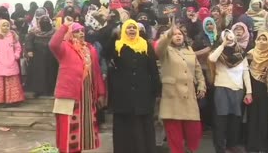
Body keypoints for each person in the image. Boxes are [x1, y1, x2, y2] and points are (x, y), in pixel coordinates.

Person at [49, 16, 106, 153]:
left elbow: (96, 72)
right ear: (70, 34)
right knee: (67, 127)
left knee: (82, 130)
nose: (81, 33)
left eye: (82, 31)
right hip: (69, 94)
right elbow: (53, 44)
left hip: (86, 95)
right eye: (77, 31)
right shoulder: (65, 48)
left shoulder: (90, 49)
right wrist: (64, 27)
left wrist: (101, 92)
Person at [104, 19, 160, 153]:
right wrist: (114, 36)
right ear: (123, 31)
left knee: (143, 127)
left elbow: (153, 69)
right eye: (128, 28)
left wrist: (156, 89)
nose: (131, 30)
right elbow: (106, 53)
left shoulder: (145, 45)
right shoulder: (117, 45)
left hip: (143, 93)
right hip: (123, 95)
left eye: (133, 28)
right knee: (125, 129)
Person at [156, 19, 206, 153]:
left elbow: (198, 70)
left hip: (189, 97)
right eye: (175, 34)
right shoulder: (165, 50)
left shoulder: (189, 50)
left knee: (195, 132)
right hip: (172, 97)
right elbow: (159, 47)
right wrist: (168, 33)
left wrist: (201, 85)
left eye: (180, 34)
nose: (178, 36)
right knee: (174, 135)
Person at [208, 29, 252, 153]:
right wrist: (222, 44)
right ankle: (220, 147)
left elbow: (245, 72)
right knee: (220, 120)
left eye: (231, 35)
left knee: (235, 120)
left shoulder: (241, 53)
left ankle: (232, 144)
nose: (229, 38)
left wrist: (249, 91)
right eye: (226, 36)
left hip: (238, 90)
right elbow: (212, 58)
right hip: (222, 89)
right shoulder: (219, 51)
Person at [246, 32, 268, 152]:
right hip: (252, 89)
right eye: (259, 39)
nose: (262, 41)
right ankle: (252, 146)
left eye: (265, 39)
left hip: (267, 91)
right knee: (252, 117)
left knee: (265, 117)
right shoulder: (250, 54)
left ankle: (264, 146)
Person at [0, 19, 24, 106]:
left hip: (11, 63)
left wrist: (16, 55)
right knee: (1, 83)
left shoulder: (13, 36)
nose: (6, 27)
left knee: (12, 82)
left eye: (7, 25)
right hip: (0, 63)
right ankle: (2, 100)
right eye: (4, 25)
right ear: (0, 26)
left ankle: (14, 100)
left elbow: (18, 48)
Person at [25, 15, 58, 97]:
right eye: (43, 22)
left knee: (51, 72)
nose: (45, 24)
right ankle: (37, 90)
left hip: (51, 56)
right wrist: (29, 50)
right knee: (38, 73)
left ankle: (50, 90)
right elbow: (29, 41)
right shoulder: (34, 31)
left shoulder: (55, 31)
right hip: (37, 56)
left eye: (47, 22)